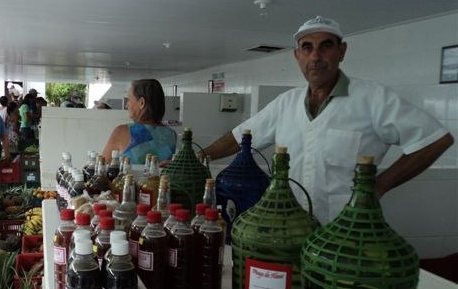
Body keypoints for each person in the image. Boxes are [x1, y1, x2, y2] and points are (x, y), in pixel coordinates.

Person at [200, 15, 454, 224]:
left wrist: (380, 186)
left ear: (341, 51)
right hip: (292, 228)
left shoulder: (372, 98)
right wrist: (196, 157)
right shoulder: (286, 103)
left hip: (348, 229)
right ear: (297, 56)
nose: (315, 56)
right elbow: (239, 137)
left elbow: (435, 140)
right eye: (307, 47)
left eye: (326, 46)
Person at [101, 79, 177, 164]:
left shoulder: (122, 131)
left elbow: (101, 166)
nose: (127, 105)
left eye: (129, 100)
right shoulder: (171, 135)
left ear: (141, 103)